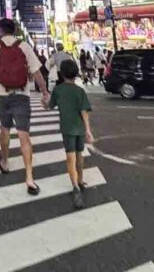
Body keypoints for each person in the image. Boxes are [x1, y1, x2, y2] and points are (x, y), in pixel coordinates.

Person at [0, 18, 49, 196]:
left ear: (1, 30)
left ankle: (5, 161)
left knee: (4, 129)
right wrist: (44, 92)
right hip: (22, 94)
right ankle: (29, 178)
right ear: (14, 30)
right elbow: (36, 72)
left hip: (2, 95)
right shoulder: (25, 46)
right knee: (24, 136)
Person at [46, 59, 94, 209]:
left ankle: (75, 185)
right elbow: (84, 112)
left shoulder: (58, 90)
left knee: (70, 157)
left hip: (67, 128)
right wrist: (88, 131)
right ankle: (80, 179)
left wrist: (44, 101)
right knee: (80, 154)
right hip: (79, 128)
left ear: (61, 73)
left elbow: (50, 106)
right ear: (76, 74)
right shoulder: (80, 91)